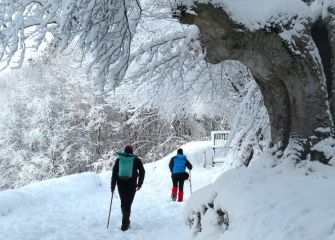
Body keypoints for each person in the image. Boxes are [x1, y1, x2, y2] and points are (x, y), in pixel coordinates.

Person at [111, 145, 145, 231]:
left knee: (123, 203)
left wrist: (113, 186)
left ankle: (126, 221)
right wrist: (140, 183)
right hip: (132, 184)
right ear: (132, 152)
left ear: (124, 151)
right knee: (128, 204)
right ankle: (125, 225)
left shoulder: (119, 160)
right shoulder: (136, 160)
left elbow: (114, 173)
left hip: (120, 184)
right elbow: (142, 172)